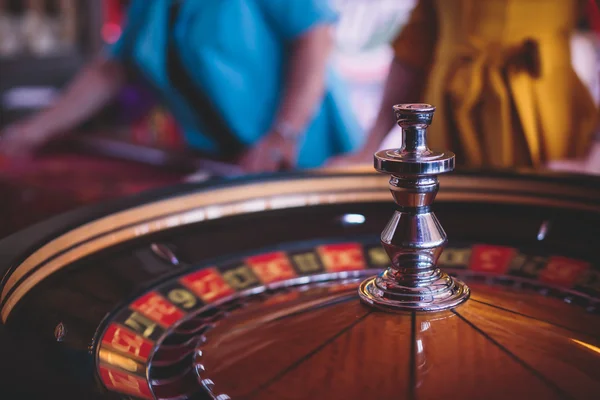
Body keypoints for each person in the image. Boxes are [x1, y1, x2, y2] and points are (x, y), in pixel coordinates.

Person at [0, 0, 362, 173]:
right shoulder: (150, 4)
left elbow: (315, 35)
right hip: (222, 163)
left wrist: (284, 134)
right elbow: (113, 69)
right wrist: (35, 129)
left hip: (305, 160)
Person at [329, 0, 599, 169]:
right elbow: (416, 46)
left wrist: (594, 158)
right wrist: (369, 149)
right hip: (446, 124)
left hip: (548, 129)